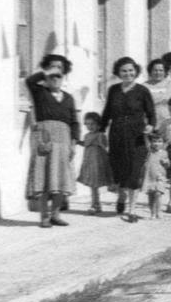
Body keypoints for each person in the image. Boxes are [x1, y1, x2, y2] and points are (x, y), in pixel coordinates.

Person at [25, 55, 79, 228]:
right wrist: (47, 71)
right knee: (44, 178)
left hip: (63, 140)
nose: (56, 76)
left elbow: (74, 122)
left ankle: (56, 214)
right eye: (52, 72)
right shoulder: (39, 91)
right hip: (45, 139)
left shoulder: (69, 98)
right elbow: (30, 81)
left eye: (59, 72)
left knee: (60, 180)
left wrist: (73, 143)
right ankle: (44, 217)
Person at [101, 57, 155, 216]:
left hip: (136, 135)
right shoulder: (113, 90)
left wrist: (150, 126)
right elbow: (107, 113)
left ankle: (132, 208)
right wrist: (101, 130)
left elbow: (151, 113)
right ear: (118, 72)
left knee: (134, 170)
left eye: (131, 70)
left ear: (136, 71)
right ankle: (122, 195)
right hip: (117, 134)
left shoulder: (142, 90)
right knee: (119, 169)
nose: (127, 73)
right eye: (124, 71)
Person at [77, 112, 114, 214]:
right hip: (89, 162)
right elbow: (85, 144)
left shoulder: (100, 135)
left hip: (98, 163)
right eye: (88, 124)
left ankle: (95, 205)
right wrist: (77, 142)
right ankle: (96, 205)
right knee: (92, 186)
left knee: (95, 186)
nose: (90, 126)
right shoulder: (87, 135)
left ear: (98, 124)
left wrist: (100, 142)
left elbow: (105, 146)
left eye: (93, 124)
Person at [143, 58, 171, 132]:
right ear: (150, 71)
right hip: (151, 125)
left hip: (170, 124)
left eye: (161, 70)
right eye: (155, 70)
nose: (158, 72)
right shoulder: (144, 86)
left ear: (165, 71)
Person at [143, 132, 170, 220]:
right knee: (151, 195)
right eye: (154, 141)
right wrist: (145, 135)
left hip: (160, 176)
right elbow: (146, 142)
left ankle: (158, 211)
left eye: (159, 141)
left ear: (163, 143)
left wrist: (166, 163)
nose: (157, 143)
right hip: (150, 177)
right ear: (151, 142)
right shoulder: (149, 152)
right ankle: (152, 212)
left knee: (158, 194)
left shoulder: (164, 153)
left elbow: (167, 165)